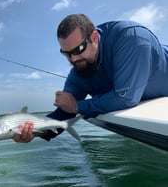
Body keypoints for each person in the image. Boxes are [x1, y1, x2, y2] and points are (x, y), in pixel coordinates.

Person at [13, 14, 168, 143]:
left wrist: (78, 107)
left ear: (93, 37)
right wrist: (34, 131)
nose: (73, 59)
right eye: (66, 53)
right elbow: (63, 114)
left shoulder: (131, 38)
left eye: (78, 49)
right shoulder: (78, 71)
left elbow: (125, 98)